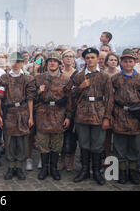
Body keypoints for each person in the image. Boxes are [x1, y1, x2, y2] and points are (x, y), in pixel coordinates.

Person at [67, 48, 113, 185]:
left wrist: (107, 118)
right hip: (82, 114)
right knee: (84, 144)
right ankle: (84, 170)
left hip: (99, 113)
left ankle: (97, 171)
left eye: (93, 57)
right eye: (87, 58)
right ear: (84, 59)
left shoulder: (105, 76)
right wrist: (80, 87)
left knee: (98, 145)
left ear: (98, 59)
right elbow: (69, 94)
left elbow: (110, 98)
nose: (90, 60)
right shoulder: (79, 76)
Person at [110, 49, 140, 184]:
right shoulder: (115, 78)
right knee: (119, 146)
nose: (128, 63)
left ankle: (132, 172)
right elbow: (110, 99)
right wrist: (109, 115)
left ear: (135, 62)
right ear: (121, 62)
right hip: (119, 114)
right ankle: (122, 172)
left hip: (136, 116)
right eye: (125, 61)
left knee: (135, 146)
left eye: (130, 61)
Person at [0, 52, 35, 181]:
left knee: (22, 142)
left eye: (18, 61)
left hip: (23, 113)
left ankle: (19, 167)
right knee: (10, 141)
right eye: (13, 61)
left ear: (22, 63)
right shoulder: (4, 78)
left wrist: (30, 117)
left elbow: (30, 99)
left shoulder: (28, 79)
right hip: (9, 114)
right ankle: (11, 167)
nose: (16, 64)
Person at [35, 52, 71, 181]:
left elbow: (69, 100)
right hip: (43, 113)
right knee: (43, 142)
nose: (52, 63)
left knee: (57, 143)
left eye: (55, 61)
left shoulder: (66, 79)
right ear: (47, 63)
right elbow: (31, 98)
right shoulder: (39, 78)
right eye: (50, 61)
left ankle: (54, 168)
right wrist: (39, 91)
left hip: (59, 114)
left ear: (59, 63)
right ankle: (45, 168)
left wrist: (68, 116)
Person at [60, 50, 78, 172]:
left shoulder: (78, 74)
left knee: (72, 136)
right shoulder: (59, 73)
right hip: (60, 108)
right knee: (61, 135)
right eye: (66, 56)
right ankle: (61, 161)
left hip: (75, 108)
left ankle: (71, 161)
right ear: (62, 59)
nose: (68, 58)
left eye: (71, 56)